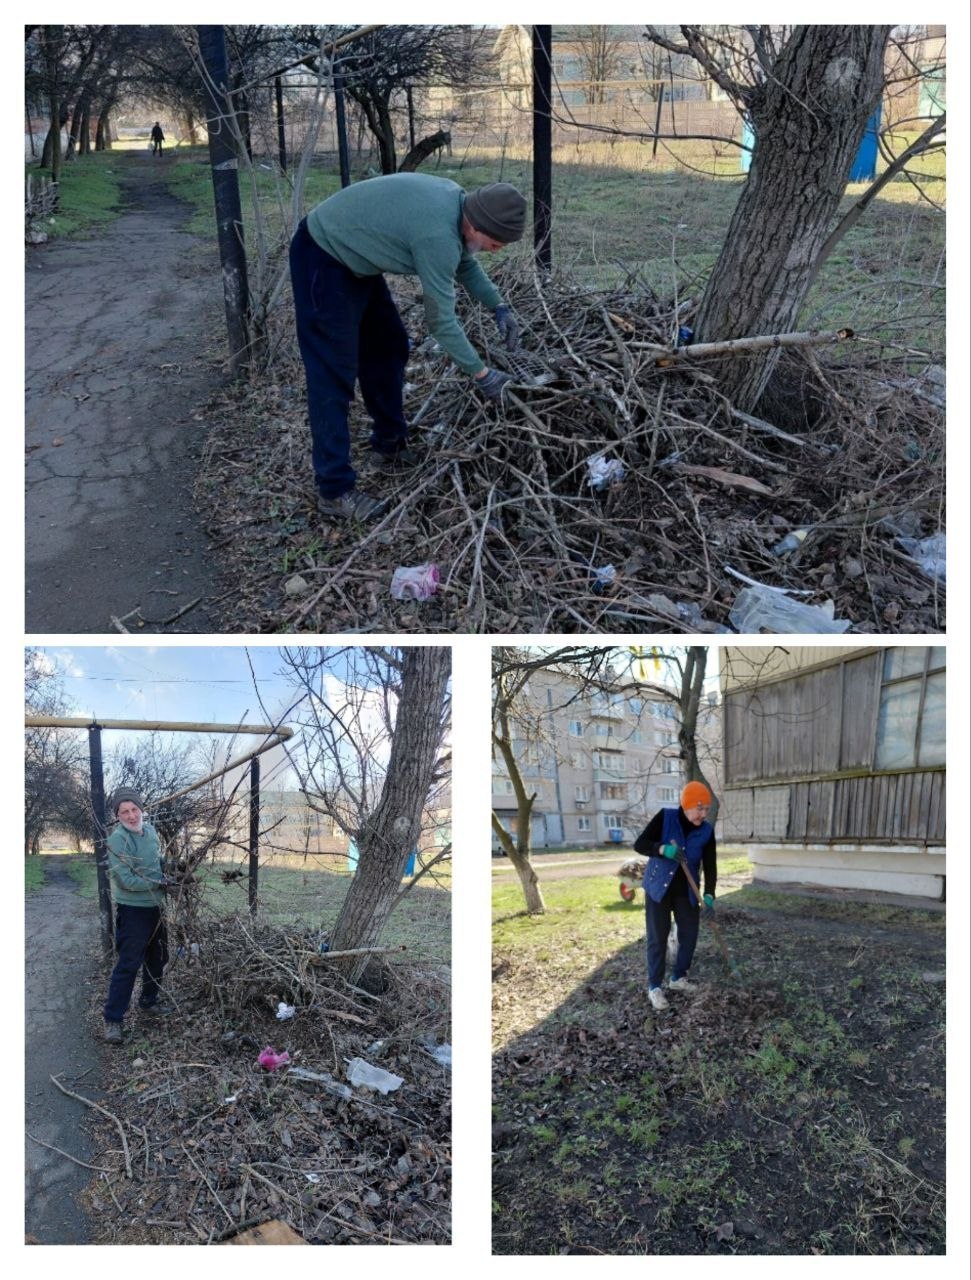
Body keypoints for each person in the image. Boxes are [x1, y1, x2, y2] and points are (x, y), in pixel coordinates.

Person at [289, 173, 527, 521]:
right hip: (323, 255)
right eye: (497, 242)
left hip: (356, 262)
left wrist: (499, 306)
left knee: (389, 347)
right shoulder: (438, 236)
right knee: (332, 374)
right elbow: (441, 322)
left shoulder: (460, 208)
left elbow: (465, 264)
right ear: (477, 224)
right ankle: (334, 490)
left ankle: (389, 444)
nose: (498, 249)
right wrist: (483, 375)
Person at [634, 780, 717, 1011]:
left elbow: (710, 866)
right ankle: (655, 987)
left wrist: (709, 895)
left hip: (687, 892)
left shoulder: (706, 831)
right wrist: (662, 849)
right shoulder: (666, 817)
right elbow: (640, 844)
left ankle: (678, 978)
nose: (703, 814)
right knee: (657, 938)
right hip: (658, 889)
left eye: (706, 809)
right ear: (687, 806)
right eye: (699, 808)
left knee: (689, 936)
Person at [102, 788, 169, 1042]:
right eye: (124, 812)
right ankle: (113, 1020)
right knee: (129, 964)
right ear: (118, 816)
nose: (131, 816)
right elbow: (127, 880)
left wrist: (171, 868)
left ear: (141, 809)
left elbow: (156, 861)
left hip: (156, 907)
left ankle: (149, 1001)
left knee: (159, 957)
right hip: (133, 910)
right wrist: (159, 883)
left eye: (134, 809)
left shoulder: (150, 831)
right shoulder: (117, 840)